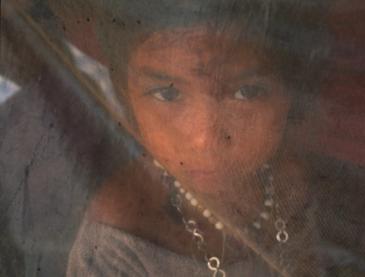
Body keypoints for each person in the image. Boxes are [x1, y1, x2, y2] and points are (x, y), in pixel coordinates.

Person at [66, 1, 329, 276]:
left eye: (247, 92)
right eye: (167, 94)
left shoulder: (299, 187)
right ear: (124, 95)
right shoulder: (119, 244)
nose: (204, 139)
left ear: (292, 94)